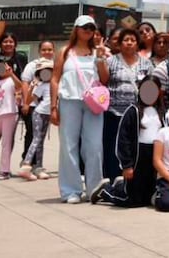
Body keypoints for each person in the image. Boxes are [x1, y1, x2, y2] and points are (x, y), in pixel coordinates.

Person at [51, 15, 110, 204]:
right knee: (69, 145)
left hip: (93, 103)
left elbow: (105, 78)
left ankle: (93, 188)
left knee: (94, 146)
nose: (88, 30)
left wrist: (101, 58)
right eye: (84, 26)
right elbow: (54, 79)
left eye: (91, 27)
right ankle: (71, 190)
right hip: (69, 100)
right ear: (76, 29)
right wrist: (54, 106)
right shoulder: (65, 52)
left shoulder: (97, 52)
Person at [92, 78, 166, 206]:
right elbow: (123, 139)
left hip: (154, 156)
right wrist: (127, 165)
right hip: (138, 158)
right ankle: (106, 190)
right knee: (131, 200)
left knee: (147, 197)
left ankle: (120, 185)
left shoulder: (163, 112)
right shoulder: (133, 111)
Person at [103, 27, 154, 180]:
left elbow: (150, 87)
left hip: (135, 114)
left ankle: (131, 180)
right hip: (113, 112)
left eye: (133, 40)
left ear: (138, 43)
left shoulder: (146, 64)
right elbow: (103, 81)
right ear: (119, 43)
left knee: (132, 148)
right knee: (112, 147)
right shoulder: (111, 61)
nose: (129, 43)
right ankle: (112, 180)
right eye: (126, 40)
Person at [19, 40, 55, 162]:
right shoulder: (32, 65)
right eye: (44, 50)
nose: (47, 52)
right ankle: (27, 161)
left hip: (48, 107)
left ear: (53, 51)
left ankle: (37, 164)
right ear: (39, 51)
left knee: (40, 137)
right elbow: (25, 83)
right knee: (31, 135)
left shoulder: (56, 65)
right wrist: (26, 103)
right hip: (33, 105)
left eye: (49, 49)